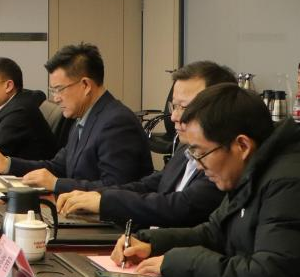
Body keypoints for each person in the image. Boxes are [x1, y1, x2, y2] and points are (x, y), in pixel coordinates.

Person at [112, 83, 300, 277]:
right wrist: (151, 243)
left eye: (201, 153)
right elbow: (214, 233)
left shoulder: (288, 182)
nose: (199, 166)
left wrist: (176, 262)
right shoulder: (250, 169)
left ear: (242, 145)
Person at [57, 61, 234, 226]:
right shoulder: (185, 148)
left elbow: (179, 206)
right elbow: (150, 185)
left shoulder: (224, 159)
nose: (174, 117)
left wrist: (105, 202)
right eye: (174, 106)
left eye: (185, 107)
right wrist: (97, 195)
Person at [0, 43, 152, 193]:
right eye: (53, 90)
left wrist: (57, 184)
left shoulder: (117, 122)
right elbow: (58, 166)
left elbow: (116, 187)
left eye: (59, 89)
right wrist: (7, 164)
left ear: (85, 85)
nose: (56, 98)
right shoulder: (83, 117)